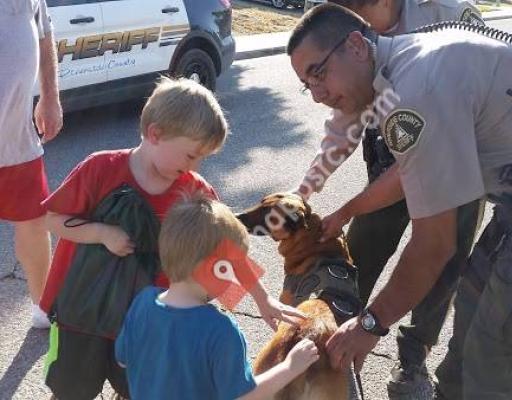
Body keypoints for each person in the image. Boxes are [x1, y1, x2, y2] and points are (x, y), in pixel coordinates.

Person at [289, 4, 512, 400]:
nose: (317, 95)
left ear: (356, 45)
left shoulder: (414, 88)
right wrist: (344, 210)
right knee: (468, 332)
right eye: (306, 84)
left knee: (499, 368)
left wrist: (369, 324)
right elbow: (412, 170)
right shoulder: (399, 70)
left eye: (318, 72)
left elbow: (434, 246)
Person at [41, 77, 305, 400]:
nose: (195, 166)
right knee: (70, 390)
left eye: (201, 158)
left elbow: (228, 248)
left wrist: (261, 299)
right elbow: (51, 219)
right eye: (191, 155)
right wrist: (101, 232)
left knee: (136, 390)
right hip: (84, 315)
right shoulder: (100, 169)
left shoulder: (195, 189)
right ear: (155, 134)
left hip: (148, 321)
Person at [293, 0, 484, 396]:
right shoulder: (345, 42)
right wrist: (304, 190)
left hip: (460, 168)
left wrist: (349, 207)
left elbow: (460, 119)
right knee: (358, 256)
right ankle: (328, 344)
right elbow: (346, 121)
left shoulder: (446, 12)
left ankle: (411, 361)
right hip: (391, 159)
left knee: (439, 267)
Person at [116, 194, 320, 400]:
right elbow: (243, 396)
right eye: (233, 268)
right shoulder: (221, 331)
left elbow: (123, 360)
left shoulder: (142, 302)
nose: (235, 278)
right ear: (216, 268)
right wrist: (290, 367)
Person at [0, 0, 63, 329]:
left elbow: (44, 34)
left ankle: (44, 306)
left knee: (35, 223)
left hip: (15, 141)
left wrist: (50, 96)